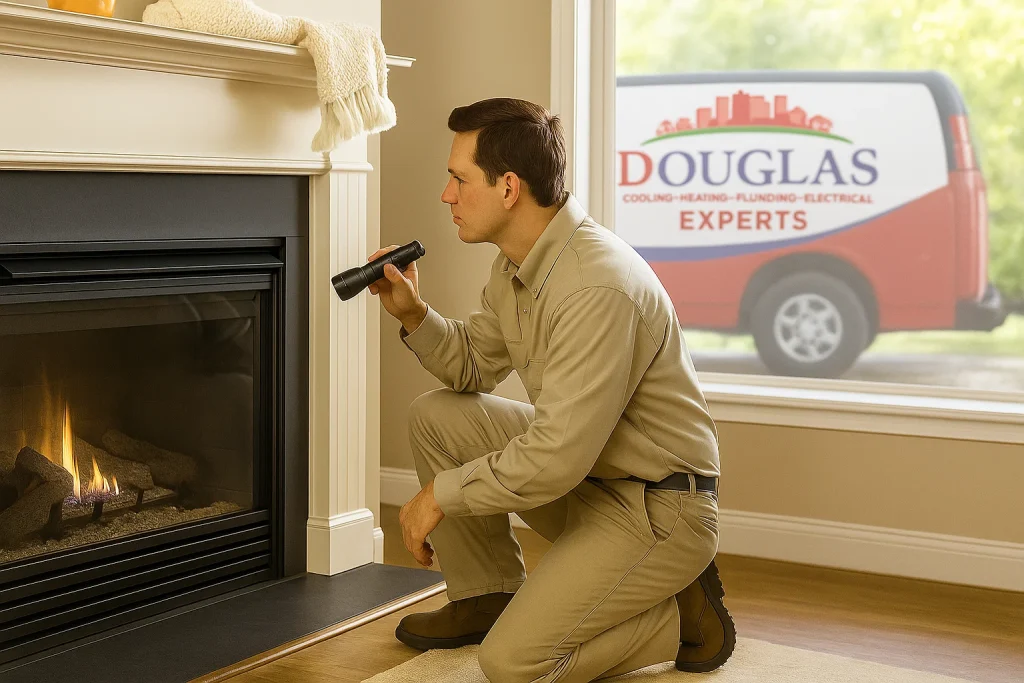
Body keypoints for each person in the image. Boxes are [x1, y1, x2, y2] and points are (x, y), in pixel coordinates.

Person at [367, 97, 735, 682]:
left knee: (515, 664)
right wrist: (414, 314)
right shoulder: (517, 266)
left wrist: (440, 494)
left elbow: (556, 457)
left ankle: (679, 615)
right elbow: (471, 368)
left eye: (458, 179)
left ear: (508, 187)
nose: (447, 196)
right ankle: (487, 596)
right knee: (438, 416)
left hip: (660, 507)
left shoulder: (595, 285)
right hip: (594, 481)